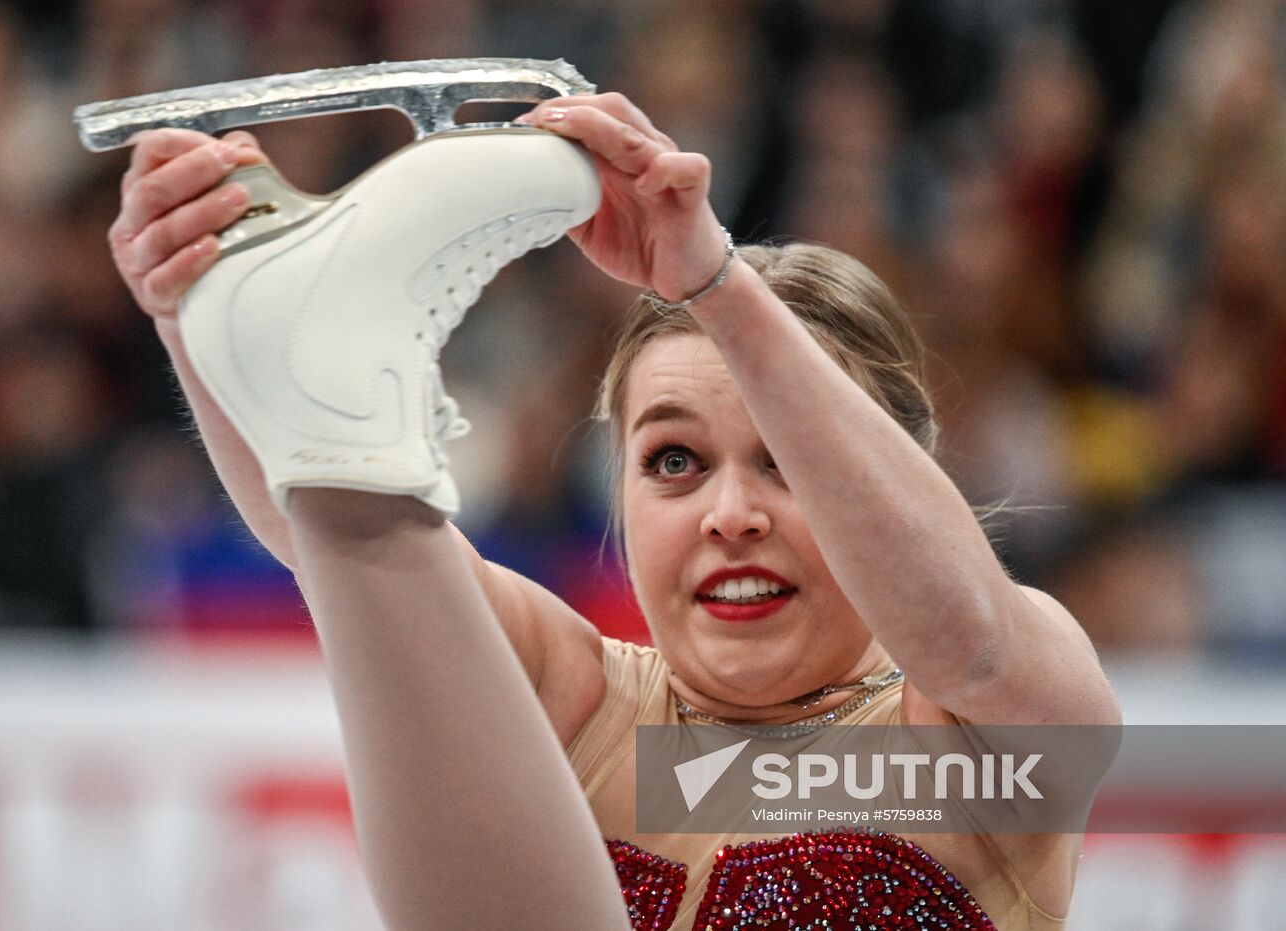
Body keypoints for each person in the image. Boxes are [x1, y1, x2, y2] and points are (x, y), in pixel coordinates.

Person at [107, 92, 1120, 930]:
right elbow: (326, 538)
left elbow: (971, 642)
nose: (730, 514)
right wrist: (204, 309)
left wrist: (715, 287)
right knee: (369, 534)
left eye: (788, 464)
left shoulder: (971, 732)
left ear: (899, 474)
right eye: (673, 460)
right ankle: (318, 361)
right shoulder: (584, 697)